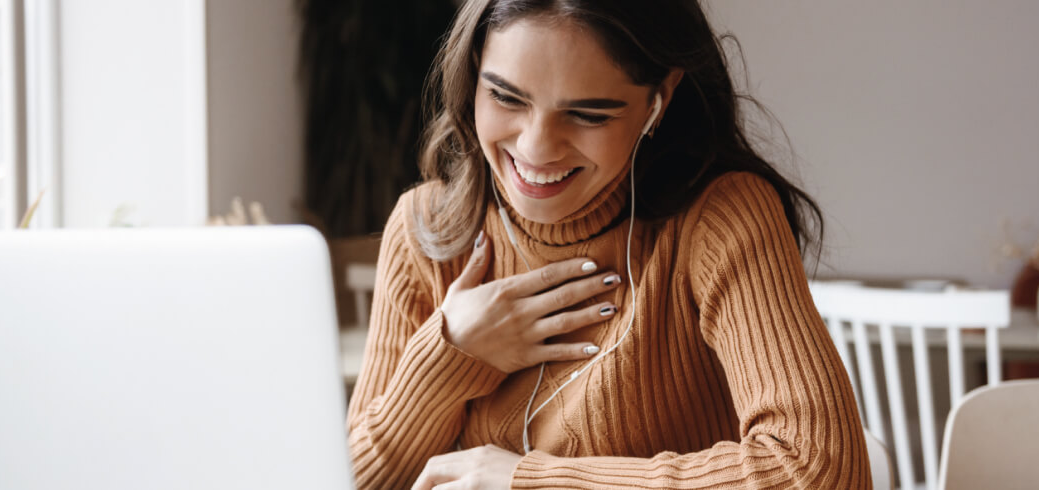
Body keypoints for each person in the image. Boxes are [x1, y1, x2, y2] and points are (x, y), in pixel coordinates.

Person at [347, 1, 870, 488]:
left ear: (658, 100)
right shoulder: (427, 227)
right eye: (505, 96)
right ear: (474, 72)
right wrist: (450, 353)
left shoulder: (721, 218)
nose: (535, 148)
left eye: (588, 114)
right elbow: (350, 478)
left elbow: (817, 468)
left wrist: (530, 481)